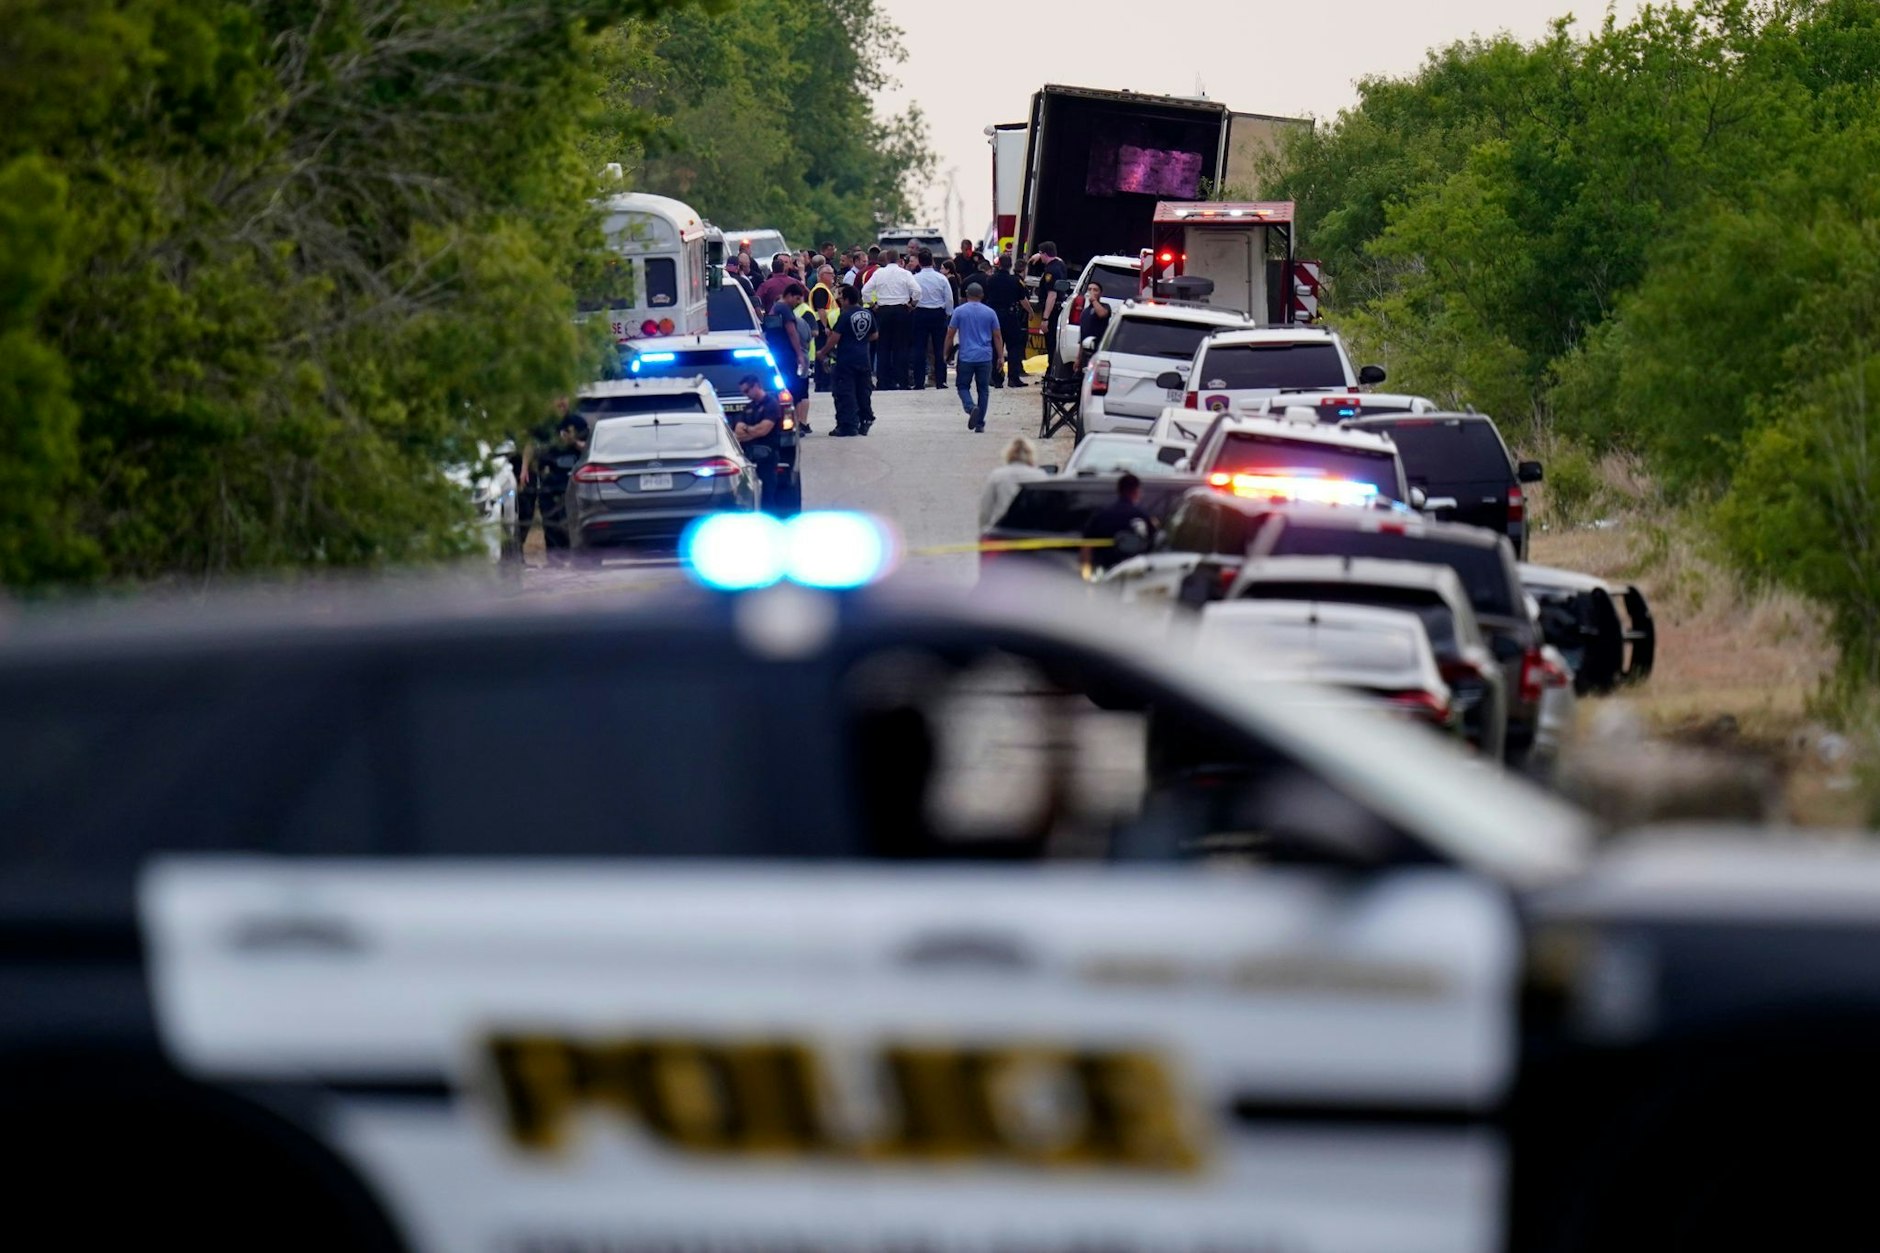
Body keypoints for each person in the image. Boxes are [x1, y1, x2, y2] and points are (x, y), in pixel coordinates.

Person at [529, 412, 589, 563]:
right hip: (550, 481)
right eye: (557, 397)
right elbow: (531, 446)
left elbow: (588, 449)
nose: (561, 401)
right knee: (550, 522)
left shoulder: (578, 422)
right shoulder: (543, 425)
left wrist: (573, 441)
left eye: (564, 397)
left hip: (573, 480)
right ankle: (554, 560)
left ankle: (575, 558)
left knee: (572, 522)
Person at [945, 281, 1004, 432]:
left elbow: (950, 334)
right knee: (983, 389)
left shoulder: (959, 311)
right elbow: (997, 336)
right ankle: (979, 423)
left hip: (966, 356)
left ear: (966, 295)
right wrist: (1000, 356)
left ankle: (971, 408)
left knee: (962, 386)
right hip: (985, 356)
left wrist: (946, 352)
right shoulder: (990, 312)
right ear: (982, 296)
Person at [822, 283, 877, 437]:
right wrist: (861, 341)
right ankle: (865, 418)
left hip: (846, 360)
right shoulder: (867, 313)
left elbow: (835, 337)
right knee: (863, 391)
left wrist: (823, 352)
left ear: (846, 300)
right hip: (863, 359)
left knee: (845, 392)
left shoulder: (845, 315)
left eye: (841, 298)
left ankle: (847, 425)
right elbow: (875, 335)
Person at [862, 249, 918, 391]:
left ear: (886, 258)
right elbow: (917, 291)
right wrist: (912, 304)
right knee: (901, 347)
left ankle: (883, 382)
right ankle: (902, 381)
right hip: (901, 310)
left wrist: (873, 305)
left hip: (883, 311)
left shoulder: (879, 273)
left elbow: (865, 291)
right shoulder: (905, 273)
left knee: (883, 347)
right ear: (899, 259)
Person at [763, 282, 813, 433]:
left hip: (776, 353)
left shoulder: (775, 307)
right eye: (797, 299)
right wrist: (799, 354)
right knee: (794, 390)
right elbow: (792, 332)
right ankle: (794, 425)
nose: (798, 303)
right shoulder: (785, 309)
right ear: (789, 295)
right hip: (786, 355)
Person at [1082, 473, 1156, 571]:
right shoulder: (1142, 516)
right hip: (1134, 572)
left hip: (1103, 571)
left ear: (1118, 491)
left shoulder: (1101, 515)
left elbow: (1087, 547)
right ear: (1137, 491)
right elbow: (1154, 544)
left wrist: (1086, 571)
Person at [733, 374, 786, 510]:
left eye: (746, 391)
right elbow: (738, 431)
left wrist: (748, 430)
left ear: (756, 386)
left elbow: (763, 430)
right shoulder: (749, 407)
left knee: (767, 496)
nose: (745, 395)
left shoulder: (771, 404)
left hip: (767, 457)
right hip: (748, 457)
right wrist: (752, 431)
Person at [978, 436, 1047, 530]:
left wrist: (984, 530)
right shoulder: (1040, 476)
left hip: (1003, 529)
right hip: (1031, 530)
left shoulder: (997, 475)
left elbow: (985, 509)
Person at [983, 254, 1030, 389]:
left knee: (995, 346)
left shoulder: (990, 280)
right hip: (1010, 316)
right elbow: (1023, 300)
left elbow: (985, 297)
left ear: (998, 265)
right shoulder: (1015, 281)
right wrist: (1030, 312)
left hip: (993, 316)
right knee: (1014, 347)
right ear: (1010, 266)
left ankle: (996, 378)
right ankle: (1013, 378)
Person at [910, 250, 955, 390]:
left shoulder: (915, 278)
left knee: (919, 349)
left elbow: (911, 296)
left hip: (920, 314)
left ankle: (918, 382)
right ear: (932, 261)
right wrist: (948, 313)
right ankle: (941, 381)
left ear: (920, 262)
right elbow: (949, 298)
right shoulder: (941, 278)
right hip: (938, 314)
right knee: (939, 348)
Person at [1033, 241, 1069, 373]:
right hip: (1059, 309)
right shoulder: (1060, 265)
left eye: (1041, 254)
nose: (1039, 256)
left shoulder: (1050, 271)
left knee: (1051, 342)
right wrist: (1039, 255)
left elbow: (1052, 296)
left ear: (1045, 254)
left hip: (1052, 312)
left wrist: (1045, 318)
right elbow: (1057, 258)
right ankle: (1053, 369)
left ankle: (1051, 371)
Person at [1075, 279, 1113, 371]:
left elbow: (1102, 314)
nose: (1091, 292)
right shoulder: (1085, 312)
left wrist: (1094, 301)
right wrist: (1078, 358)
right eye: (1089, 289)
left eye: (1095, 290)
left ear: (1100, 293)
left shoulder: (1105, 306)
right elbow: (1082, 335)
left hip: (1098, 351)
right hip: (1085, 352)